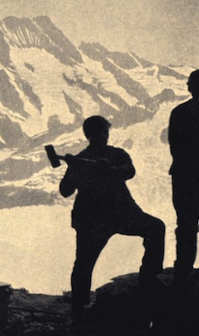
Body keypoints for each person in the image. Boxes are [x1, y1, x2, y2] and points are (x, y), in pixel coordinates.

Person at [59, 116, 165, 318]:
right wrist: (74, 168)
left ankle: (148, 277)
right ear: (90, 135)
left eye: (104, 133)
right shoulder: (84, 160)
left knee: (155, 228)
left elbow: (129, 171)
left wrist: (110, 169)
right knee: (84, 263)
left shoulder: (113, 155)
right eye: (99, 133)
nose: (103, 137)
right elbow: (65, 190)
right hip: (100, 218)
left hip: (113, 215)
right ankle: (79, 307)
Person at [168, 69, 199, 286]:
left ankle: (182, 274)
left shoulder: (180, 112)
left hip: (185, 177)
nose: (187, 86)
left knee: (186, 226)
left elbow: (176, 148)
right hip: (191, 174)